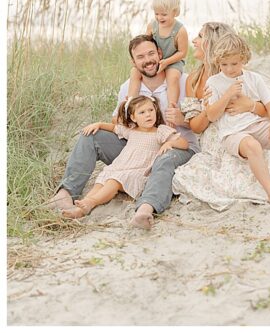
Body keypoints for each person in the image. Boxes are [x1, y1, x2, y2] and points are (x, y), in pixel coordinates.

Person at [48, 34, 199, 230]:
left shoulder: (181, 81)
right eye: (141, 57)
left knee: (164, 158)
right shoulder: (129, 87)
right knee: (91, 135)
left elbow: (202, 123)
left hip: (177, 147)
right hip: (136, 151)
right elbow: (118, 124)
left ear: (160, 54)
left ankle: (146, 208)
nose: (148, 60)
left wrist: (183, 120)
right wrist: (120, 115)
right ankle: (67, 192)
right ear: (133, 62)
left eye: (151, 54)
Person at [172, 22, 270, 210]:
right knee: (248, 154)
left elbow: (268, 107)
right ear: (218, 59)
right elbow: (201, 123)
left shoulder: (251, 77)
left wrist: (251, 106)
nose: (194, 41)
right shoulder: (203, 81)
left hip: (252, 125)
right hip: (226, 135)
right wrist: (218, 102)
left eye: (200, 37)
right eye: (225, 64)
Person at [204, 33, 270, 208]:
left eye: (234, 64)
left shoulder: (254, 79)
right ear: (217, 62)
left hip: (257, 125)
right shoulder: (214, 82)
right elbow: (211, 116)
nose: (229, 69)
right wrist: (227, 95)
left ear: (244, 59)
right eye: (223, 64)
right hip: (233, 133)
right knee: (252, 145)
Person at [61, 96, 188, 218]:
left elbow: (184, 143)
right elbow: (114, 128)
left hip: (138, 172)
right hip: (120, 166)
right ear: (133, 117)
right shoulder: (132, 130)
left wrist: (169, 143)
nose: (148, 115)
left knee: (113, 181)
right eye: (142, 112)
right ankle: (80, 209)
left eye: (151, 110)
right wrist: (98, 124)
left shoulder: (160, 131)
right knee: (101, 181)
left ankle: (92, 202)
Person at [127, 0, 189, 108]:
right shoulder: (152, 26)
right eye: (156, 14)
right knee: (134, 72)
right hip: (154, 59)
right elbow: (145, 43)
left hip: (172, 61)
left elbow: (182, 52)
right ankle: (131, 102)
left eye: (164, 14)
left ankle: (172, 106)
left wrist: (166, 62)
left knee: (173, 77)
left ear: (175, 12)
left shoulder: (180, 30)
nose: (159, 17)